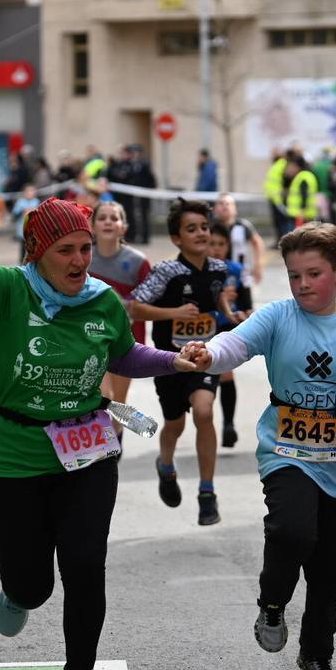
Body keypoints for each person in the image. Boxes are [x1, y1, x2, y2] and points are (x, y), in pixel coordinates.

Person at [0, 188, 208, 670]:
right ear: (37, 251)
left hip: (88, 450)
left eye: (85, 248)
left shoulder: (103, 300)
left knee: (87, 565)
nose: (79, 261)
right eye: (66, 249)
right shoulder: (3, 291)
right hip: (15, 456)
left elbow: (124, 355)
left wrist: (173, 362)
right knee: (34, 585)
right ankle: (19, 592)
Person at [200, 221, 336, 670]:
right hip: (286, 448)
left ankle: (316, 655)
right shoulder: (279, 316)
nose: (302, 285)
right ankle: (272, 604)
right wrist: (207, 355)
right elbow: (236, 343)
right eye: (294, 276)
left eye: (313, 274)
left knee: (335, 564)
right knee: (291, 530)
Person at [130, 199, 238, 526]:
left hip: (205, 357)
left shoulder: (219, 268)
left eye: (204, 227)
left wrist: (231, 316)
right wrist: (173, 313)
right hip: (170, 361)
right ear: (177, 238)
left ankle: (207, 493)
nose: (201, 234)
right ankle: (165, 466)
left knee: (204, 412)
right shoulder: (166, 271)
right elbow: (135, 307)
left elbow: (217, 296)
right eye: (191, 229)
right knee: (175, 425)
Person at [87, 201, 152, 428]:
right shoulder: (83, 258)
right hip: (91, 340)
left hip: (125, 341)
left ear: (123, 227)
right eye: (102, 217)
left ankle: (116, 445)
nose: (108, 222)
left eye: (113, 218)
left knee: (118, 401)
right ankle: (104, 452)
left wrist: (120, 302)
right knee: (103, 396)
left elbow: (147, 302)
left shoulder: (138, 262)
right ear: (92, 226)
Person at [211, 196, 264, 447]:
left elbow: (245, 302)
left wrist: (244, 313)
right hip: (200, 328)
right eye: (212, 243)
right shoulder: (193, 271)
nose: (216, 248)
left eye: (221, 244)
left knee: (225, 373)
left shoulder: (235, 270)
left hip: (223, 326)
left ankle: (228, 424)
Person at [286, 156, 318, 229]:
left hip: (300, 215)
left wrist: (302, 212)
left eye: (291, 166)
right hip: (304, 214)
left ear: (296, 166)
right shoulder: (307, 175)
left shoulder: (303, 177)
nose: (289, 169)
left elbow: (304, 195)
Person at [11, 185, 41, 264]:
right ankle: (21, 262)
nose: (30, 193)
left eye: (32, 191)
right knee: (23, 246)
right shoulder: (20, 202)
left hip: (34, 229)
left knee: (33, 246)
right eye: (28, 192)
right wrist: (22, 211)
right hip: (22, 228)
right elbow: (15, 214)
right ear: (24, 193)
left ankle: (32, 261)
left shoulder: (37, 202)